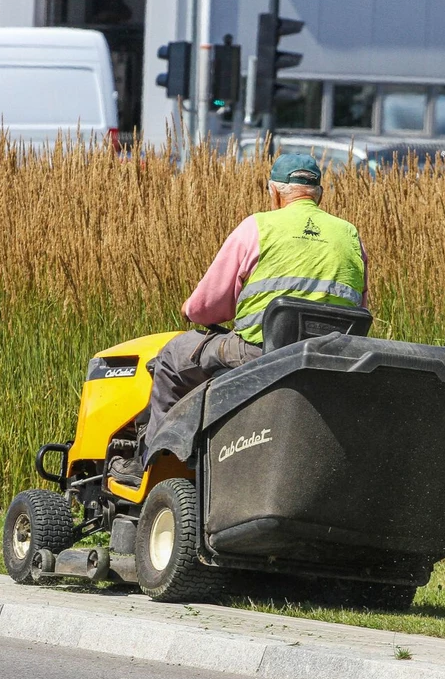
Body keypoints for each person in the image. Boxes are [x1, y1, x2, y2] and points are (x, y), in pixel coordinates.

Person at [109, 153, 369, 488]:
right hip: (328, 360)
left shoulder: (258, 227)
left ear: (274, 192)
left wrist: (192, 311)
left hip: (260, 354)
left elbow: (205, 308)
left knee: (173, 357)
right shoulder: (350, 234)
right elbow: (359, 310)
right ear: (319, 194)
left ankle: (153, 467)